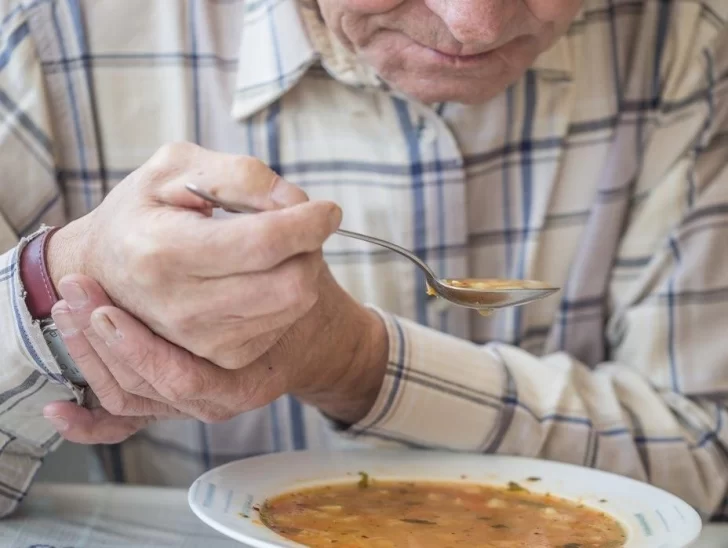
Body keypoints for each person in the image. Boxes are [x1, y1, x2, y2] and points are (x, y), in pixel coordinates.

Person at [0, 0, 726, 522]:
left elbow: (706, 455)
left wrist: (356, 362)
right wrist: (56, 275)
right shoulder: (48, 30)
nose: (474, 22)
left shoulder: (681, 41)